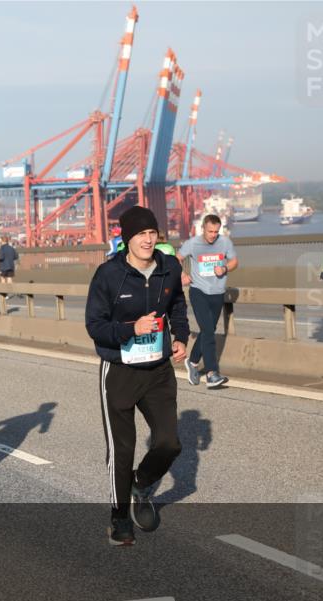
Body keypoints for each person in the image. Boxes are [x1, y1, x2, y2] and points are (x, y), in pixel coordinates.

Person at [85, 205, 189, 546]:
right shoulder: (108, 275)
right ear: (126, 238)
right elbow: (95, 326)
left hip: (158, 371)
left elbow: (177, 305)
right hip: (120, 371)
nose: (147, 240)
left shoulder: (169, 267)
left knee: (169, 443)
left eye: (151, 233)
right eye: (140, 234)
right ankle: (119, 519)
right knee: (122, 450)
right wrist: (131, 329)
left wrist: (181, 337)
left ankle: (141, 485)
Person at [177, 214, 238, 388]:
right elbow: (177, 258)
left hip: (217, 292)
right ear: (203, 228)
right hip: (198, 291)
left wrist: (225, 268)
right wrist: (182, 274)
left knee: (208, 330)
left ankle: (193, 362)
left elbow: (234, 262)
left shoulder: (225, 242)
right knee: (208, 331)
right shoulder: (192, 243)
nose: (213, 235)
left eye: (216, 231)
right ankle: (212, 373)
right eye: (210, 231)